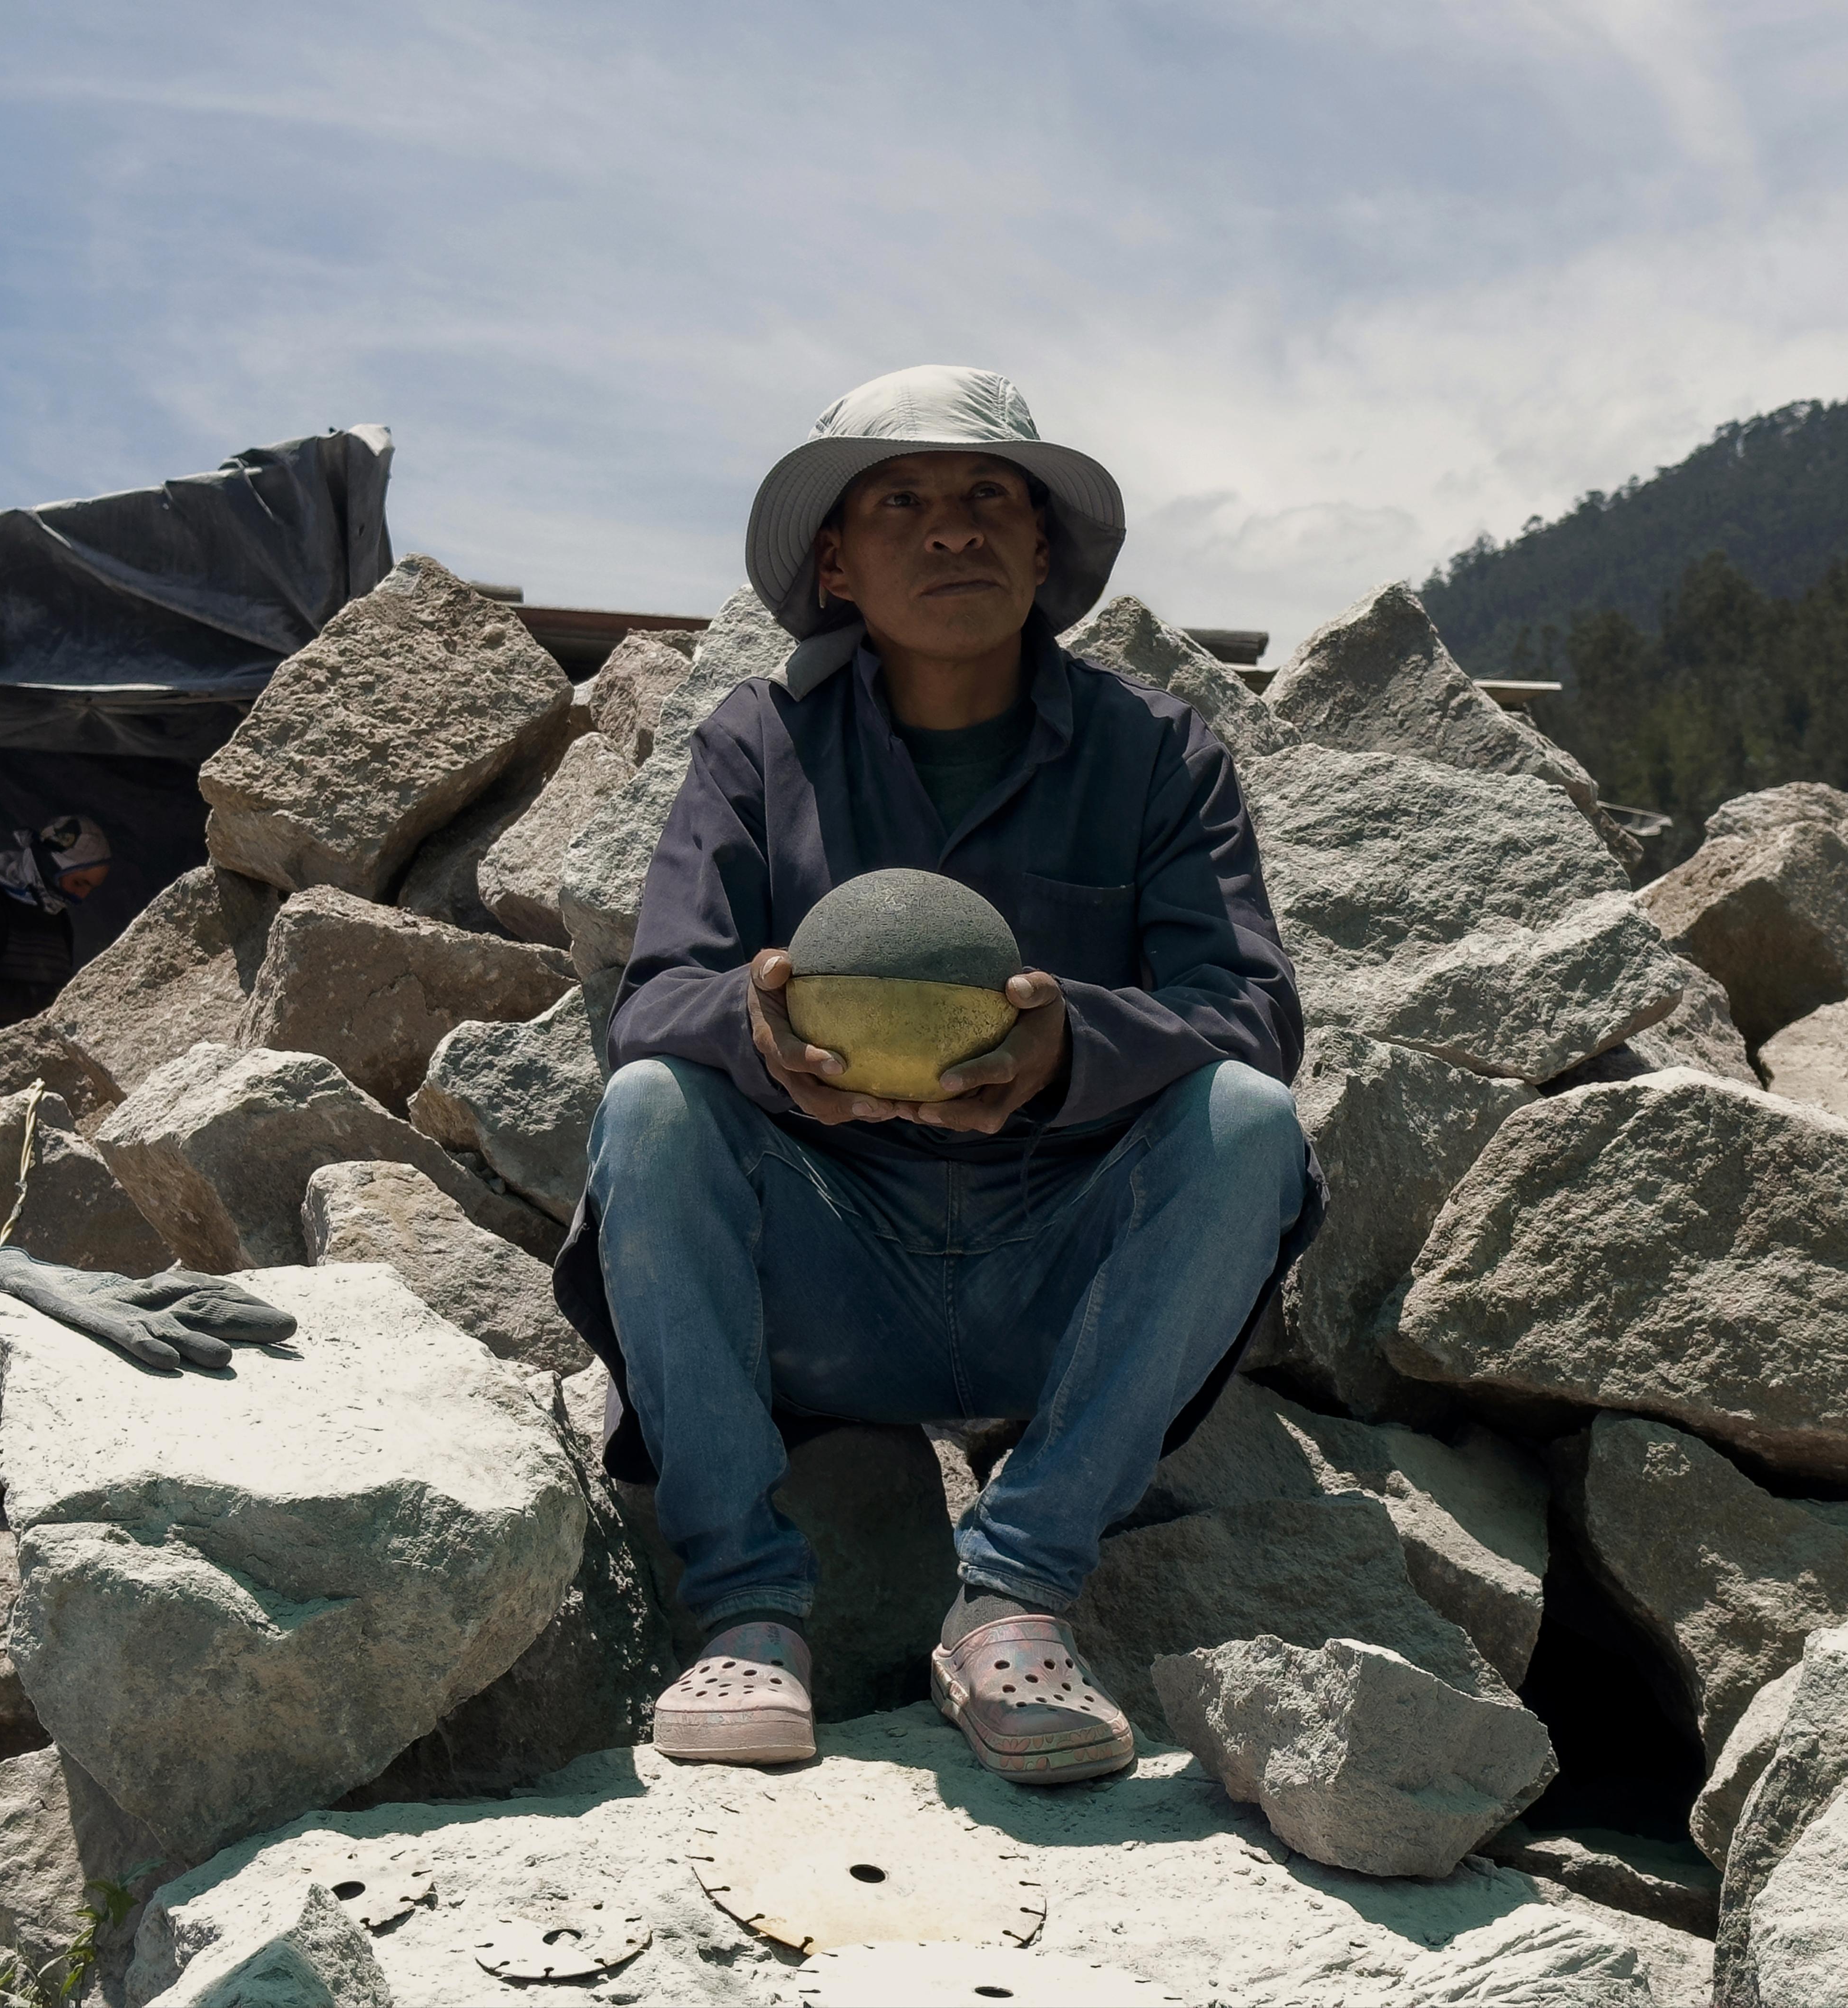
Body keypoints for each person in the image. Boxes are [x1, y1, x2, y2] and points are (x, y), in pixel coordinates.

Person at [551, 364, 1320, 1784]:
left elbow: (1250, 1013)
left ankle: (1016, 1597)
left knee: (1250, 1121)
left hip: (1061, 1285)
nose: (951, 529)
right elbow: (656, 1000)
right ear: (836, 563)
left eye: (989, 499)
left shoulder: (1159, 754)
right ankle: (747, 1614)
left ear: (1044, 551)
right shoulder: (758, 743)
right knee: (654, 1105)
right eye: (899, 502)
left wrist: (1071, 1046)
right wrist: (768, 1042)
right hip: (827, 1286)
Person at [0, 814, 113, 1039]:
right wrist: (52, 1000)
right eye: (78, 883)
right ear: (51, 865)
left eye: (90, 888)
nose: (80, 897)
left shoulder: (58, 918)